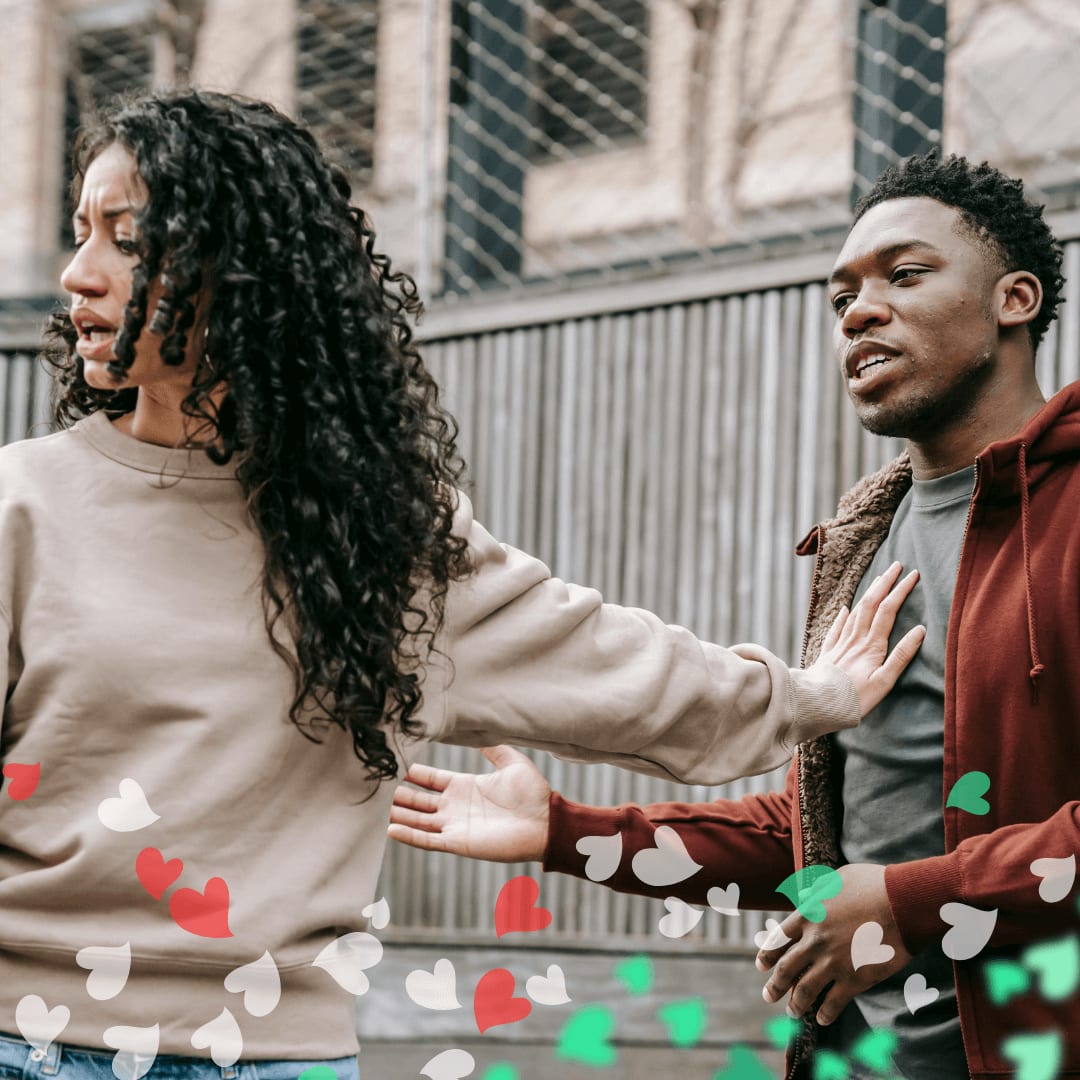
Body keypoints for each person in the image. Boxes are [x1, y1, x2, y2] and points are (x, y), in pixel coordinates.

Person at [0, 89, 922, 1078]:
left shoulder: (379, 539)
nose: (76, 273)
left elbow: (614, 663)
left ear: (247, 275)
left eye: (125, 239)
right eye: (81, 231)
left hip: (272, 1057)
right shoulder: (24, 508)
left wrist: (814, 694)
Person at [389, 153, 1080, 1080]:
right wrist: (564, 831)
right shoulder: (865, 539)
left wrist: (913, 901)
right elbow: (810, 835)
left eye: (904, 276)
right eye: (842, 298)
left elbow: (887, 888)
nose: (860, 312)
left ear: (1016, 300)